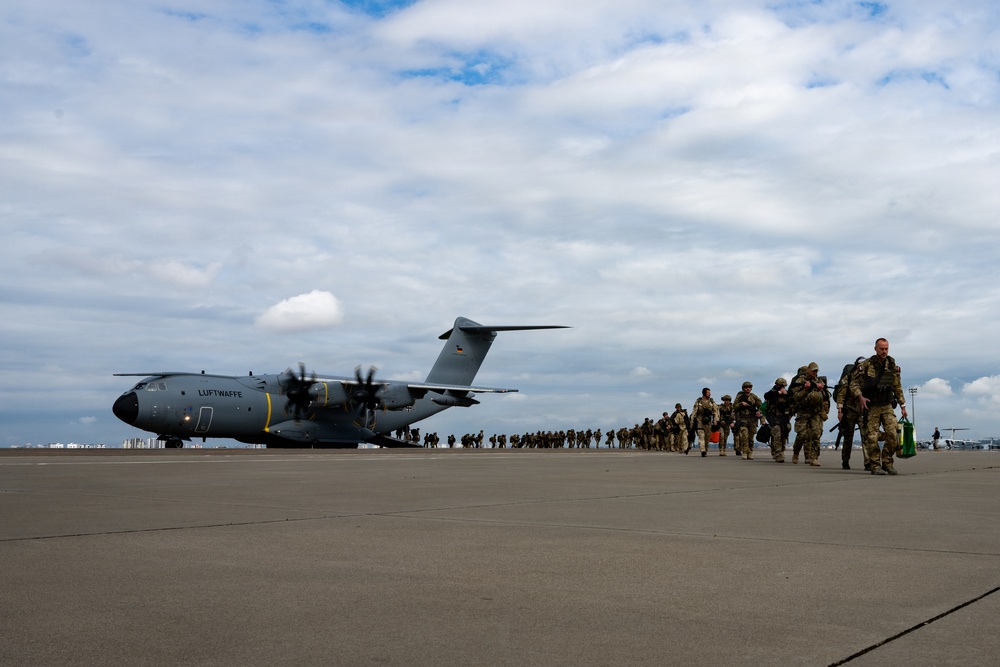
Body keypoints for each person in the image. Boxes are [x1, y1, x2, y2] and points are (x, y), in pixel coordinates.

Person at [852, 338, 908, 475]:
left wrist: (903, 405)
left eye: (886, 349)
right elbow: (853, 384)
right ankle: (875, 465)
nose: (884, 351)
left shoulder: (892, 366)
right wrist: (860, 397)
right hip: (871, 406)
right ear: (875, 349)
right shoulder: (866, 365)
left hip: (887, 404)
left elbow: (897, 387)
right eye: (881, 349)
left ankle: (887, 462)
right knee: (872, 437)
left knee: (893, 434)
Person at [833, 357, 870, 470]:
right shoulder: (848, 377)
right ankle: (845, 461)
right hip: (849, 411)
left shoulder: (868, 378)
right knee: (848, 438)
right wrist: (840, 411)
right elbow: (841, 395)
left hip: (863, 411)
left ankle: (868, 462)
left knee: (866, 436)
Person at [790, 362, 829, 466]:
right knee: (802, 434)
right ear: (808, 370)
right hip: (803, 412)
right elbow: (795, 397)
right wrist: (805, 389)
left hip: (815, 412)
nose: (814, 373)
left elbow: (825, 396)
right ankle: (796, 452)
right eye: (813, 370)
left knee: (816, 434)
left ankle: (814, 457)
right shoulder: (800, 381)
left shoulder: (819, 381)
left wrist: (822, 390)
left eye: (816, 371)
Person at [763, 378, 793, 463]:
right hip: (774, 418)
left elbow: (791, 402)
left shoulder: (787, 394)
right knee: (777, 435)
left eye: (784, 386)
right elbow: (768, 397)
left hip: (784, 418)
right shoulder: (771, 393)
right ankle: (778, 453)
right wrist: (777, 394)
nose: (783, 387)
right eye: (781, 386)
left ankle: (781, 450)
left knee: (784, 435)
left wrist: (785, 395)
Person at [733, 381, 763, 460]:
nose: (747, 389)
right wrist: (741, 404)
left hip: (752, 419)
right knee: (744, 436)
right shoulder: (739, 397)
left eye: (749, 387)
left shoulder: (754, 397)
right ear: (743, 388)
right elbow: (734, 407)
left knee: (751, 438)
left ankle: (750, 452)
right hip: (743, 419)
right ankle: (745, 452)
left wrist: (758, 412)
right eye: (746, 387)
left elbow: (761, 405)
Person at [691, 388, 720, 457]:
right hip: (700, 421)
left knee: (707, 438)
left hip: (708, 422)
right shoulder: (699, 401)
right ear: (704, 393)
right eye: (708, 393)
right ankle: (702, 450)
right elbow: (694, 411)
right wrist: (692, 421)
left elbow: (716, 411)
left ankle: (705, 450)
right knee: (701, 436)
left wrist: (716, 420)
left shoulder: (712, 401)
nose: (710, 394)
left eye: (709, 393)